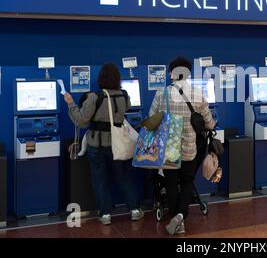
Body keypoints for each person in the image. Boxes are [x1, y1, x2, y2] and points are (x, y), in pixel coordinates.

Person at [64, 63, 144, 225]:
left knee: (100, 180)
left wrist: (71, 103)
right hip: (118, 144)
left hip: (97, 145)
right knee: (124, 178)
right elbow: (127, 110)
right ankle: (135, 209)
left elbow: (81, 120)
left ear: (100, 78)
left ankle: (105, 214)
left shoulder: (94, 97)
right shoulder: (124, 95)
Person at [149, 56, 216, 235]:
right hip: (189, 148)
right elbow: (209, 122)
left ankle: (177, 221)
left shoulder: (161, 93)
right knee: (187, 182)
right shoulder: (197, 94)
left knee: (170, 184)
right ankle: (180, 215)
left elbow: (151, 119)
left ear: (172, 73)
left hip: (169, 148)